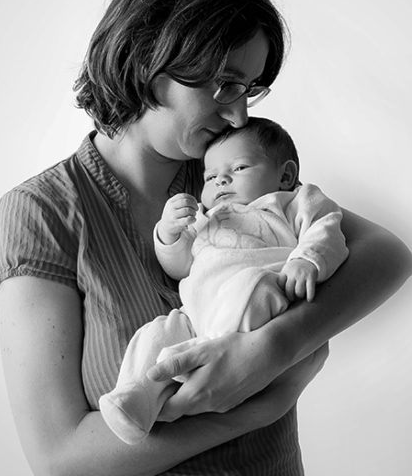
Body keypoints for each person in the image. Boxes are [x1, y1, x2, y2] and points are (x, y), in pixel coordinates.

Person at [0, 0, 412, 474]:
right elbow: (62, 460)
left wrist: (274, 349)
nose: (240, 117)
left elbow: (389, 254)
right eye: (225, 84)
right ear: (149, 60)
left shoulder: (227, 179)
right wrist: (253, 402)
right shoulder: (41, 215)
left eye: (247, 89)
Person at [100, 117, 349, 444]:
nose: (221, 181)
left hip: (260, 295)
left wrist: (307, 260)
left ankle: (198, 362)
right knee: (157, 332)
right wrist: (168, 231)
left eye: (240, 168)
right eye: (211, 176)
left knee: (252, 288)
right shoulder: (206, 217)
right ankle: (137, 395)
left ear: (285, 175)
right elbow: (179, 266)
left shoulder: (293, 201)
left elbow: (327, 230)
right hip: (196, 316)